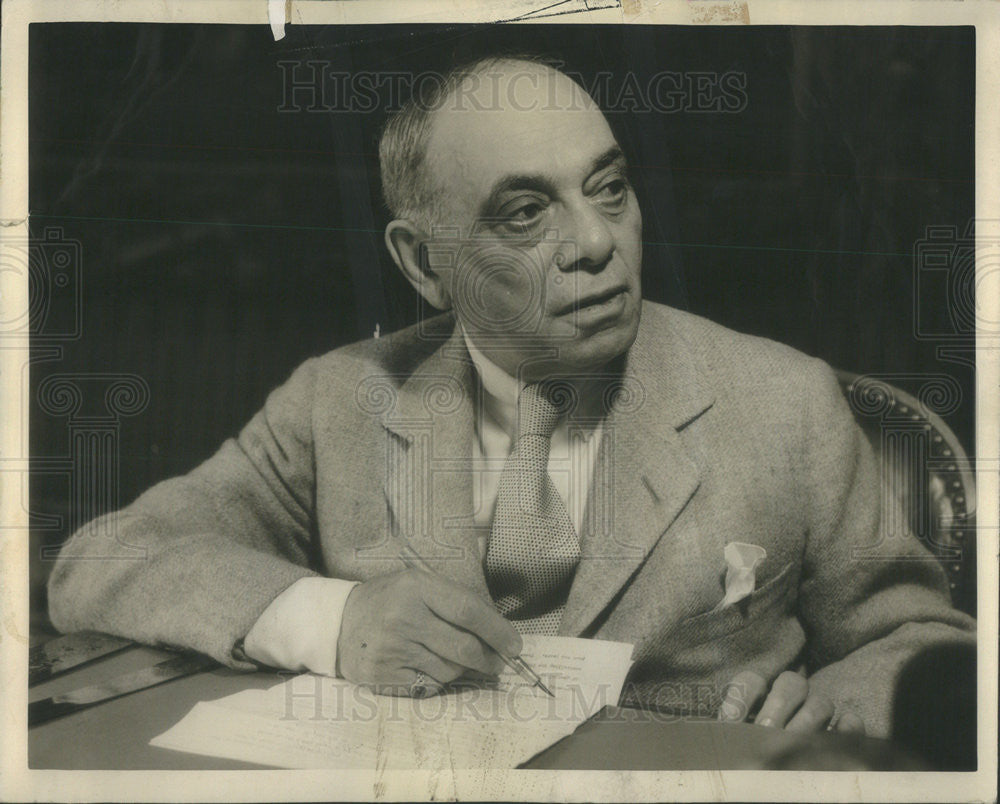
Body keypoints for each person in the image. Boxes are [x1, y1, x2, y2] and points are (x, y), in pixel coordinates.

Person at [48, 55, 974, 740]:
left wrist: (832, 703)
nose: (595, 242)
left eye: (608, 188)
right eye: (526, 213)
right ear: (423, 262)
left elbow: (925, 645)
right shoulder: (339, 405)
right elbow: (100, 563)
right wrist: (333, 622)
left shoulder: (786, 404)